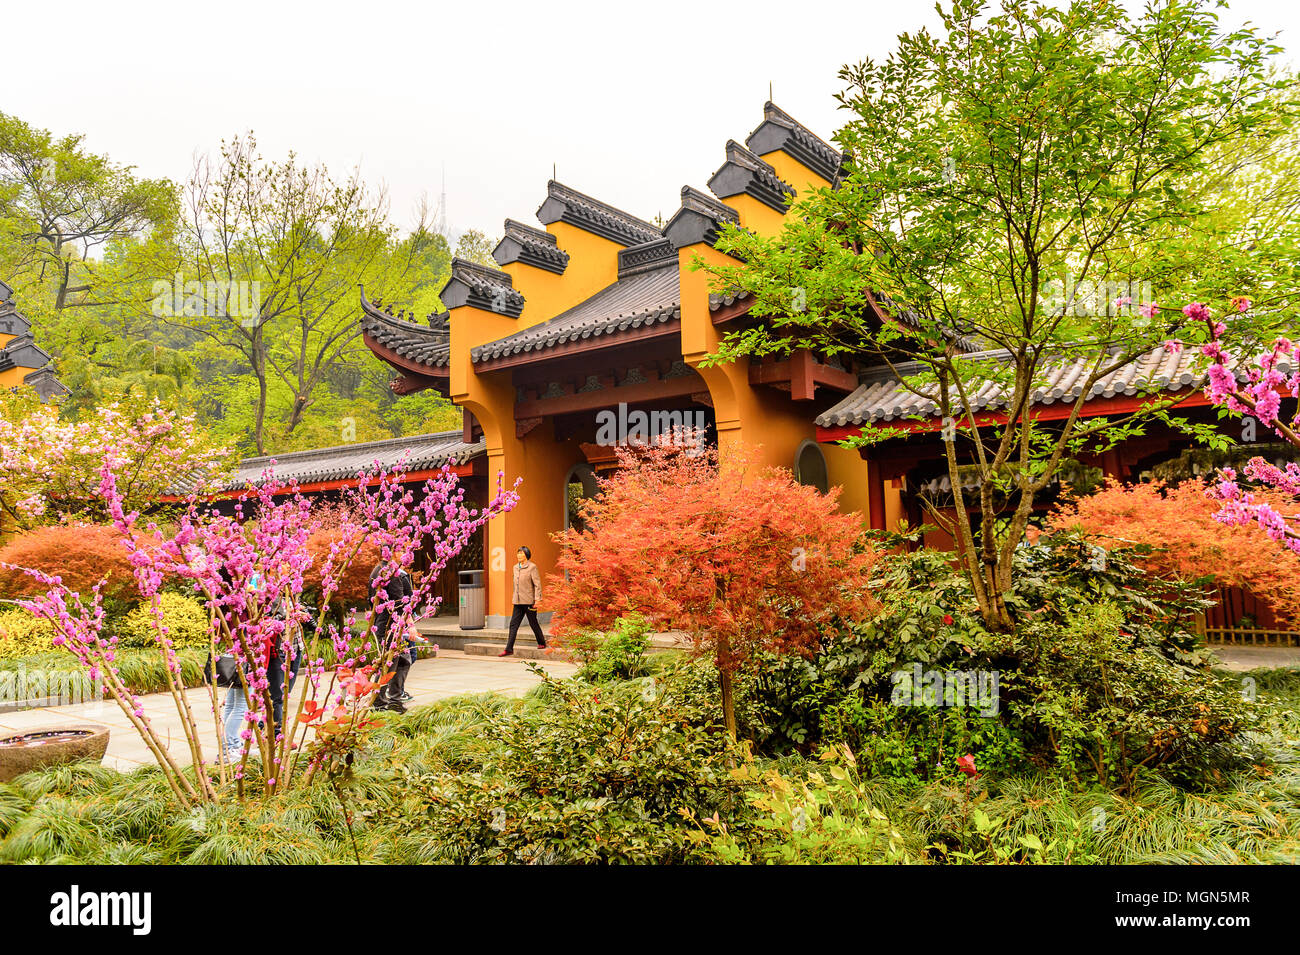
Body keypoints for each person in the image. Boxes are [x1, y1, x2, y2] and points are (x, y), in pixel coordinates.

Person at [370, 561, 414, 713]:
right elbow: (400, 602)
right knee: (389, 664)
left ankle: (393, 699)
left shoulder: (377, 570)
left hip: (387, 624)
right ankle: (379, 703)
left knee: (402, 660)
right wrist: (411, 624)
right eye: (401, 549)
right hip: (389, 625)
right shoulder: (392, 573)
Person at [500, 545, 546, 656]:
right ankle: (509, 649)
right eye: (518, 553)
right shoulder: (515, 567)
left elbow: (537, 584)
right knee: (513, 625)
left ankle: (542, 642)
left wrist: (537, 600)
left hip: (529, 601)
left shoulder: (532, 567)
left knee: (533, 623)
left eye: (521, 553)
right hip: (517, 601)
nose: (519, 555)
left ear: (526, 555)